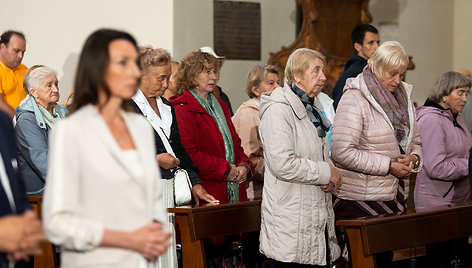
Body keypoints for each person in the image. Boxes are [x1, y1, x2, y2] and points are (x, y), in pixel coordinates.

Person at [42, 29, 171, 267]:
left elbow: (153, 201)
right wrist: (125, 238)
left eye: (135, 63)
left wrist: (156, 229)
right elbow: (56, 221)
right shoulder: (72, 131)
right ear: (98, 69)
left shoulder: (140, 128)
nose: (135, 71)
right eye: (123, 63)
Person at [331, 41, 422, 267]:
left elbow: (416, 141)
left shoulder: (403, 97)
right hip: (361, 199)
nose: (398, 80)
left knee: (385, 260)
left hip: (393, 196)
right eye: (393, 74)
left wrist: (414, 158)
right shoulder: (355, 97)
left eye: (402, 74)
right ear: (378, 67)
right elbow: (341, 151)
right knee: (366, 263)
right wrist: (388, 166)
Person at [130, 47, 218, 267]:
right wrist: (155, 159)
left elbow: (181, 152)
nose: (166, 84)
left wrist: (196, 183)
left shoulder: (167, 106)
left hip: (167, 192)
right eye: (161, 78)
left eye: (168, 78)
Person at [258, 48, 341, 267]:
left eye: (322, 70)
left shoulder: (312, 107)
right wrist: (325, 173)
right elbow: (282, 164)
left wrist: (332, 175)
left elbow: (319, 154)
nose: (323, 77)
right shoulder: (279, 110)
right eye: (316, 71)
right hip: (290, 221)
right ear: (296, 75)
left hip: (314, 215)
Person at [171, 50, 252, 203]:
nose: (214, 77)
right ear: (192, 74)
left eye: (215, 71)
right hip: (207, 190)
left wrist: (243, 165)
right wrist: (225, 169)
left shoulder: (221, 105)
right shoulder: (182, 108)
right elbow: (190, 154)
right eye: (207, 72)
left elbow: (236, 144)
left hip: (233, 189)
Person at [415, 71, 472, 267]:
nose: (465, 98)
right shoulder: (431, 120)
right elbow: (435, 167)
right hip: (437, 204)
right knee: (441, 260)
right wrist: (469, 166)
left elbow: (464, 152)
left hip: (458, 201)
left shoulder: (456, 117)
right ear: (445, 94)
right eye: (460, 92)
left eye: (467, 93)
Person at [0, 109, 45, 267]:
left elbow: (17, 193)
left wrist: (27, 219)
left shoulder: (4, 122)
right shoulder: (26, 120)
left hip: (18, 257)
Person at [15, 65, 67, 195]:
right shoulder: (27, 120)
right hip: (41, 190)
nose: (55, 89)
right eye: (49, 85)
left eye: (56, 84)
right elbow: (42, 161)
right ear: (34, 93)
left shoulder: (63, 113)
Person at [232, 65, 280, 200]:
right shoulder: (248, 115)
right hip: (255, 192)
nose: (277, 87)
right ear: (256, 89)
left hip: (270, 189)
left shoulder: (272, 111)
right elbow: (249, 158)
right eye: (271, 83)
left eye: (278, 82)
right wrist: (280, 171)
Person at [332, 24, 379, 110]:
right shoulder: (354, 71)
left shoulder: (369, 68)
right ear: (358, 47)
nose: (377, 47)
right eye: (371, 43)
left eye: (377, 42)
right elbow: (339, 104)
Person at [0, 31, 28, 118]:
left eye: (23, 52)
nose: (20, 56)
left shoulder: (24, 69)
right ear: (2, 47)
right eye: (17, 51)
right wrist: (19, 121)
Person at [199, 46, 234, 115]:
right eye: (208, 71)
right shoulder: (186, 100)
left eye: (215, 71)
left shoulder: (222, 96)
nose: (214, 77)